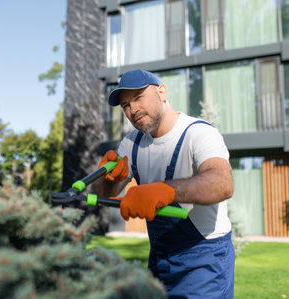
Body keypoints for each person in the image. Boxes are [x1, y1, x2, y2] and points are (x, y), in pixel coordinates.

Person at [93, 69, 235, 298]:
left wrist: (167, 190)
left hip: (205, 259)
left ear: (162, 92)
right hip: (160, 257)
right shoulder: (132, 144)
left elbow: (222, 182)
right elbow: (103, 194)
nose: (132, 110)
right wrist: (107, 178)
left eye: (138, 97)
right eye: (125, 106)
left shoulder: (198, 133)